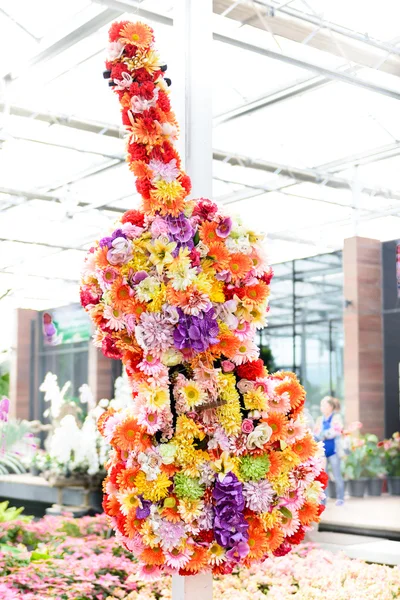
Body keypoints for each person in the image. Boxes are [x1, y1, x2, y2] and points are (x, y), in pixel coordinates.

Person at [314, 396, 345, 506]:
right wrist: (320, 435)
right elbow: (316, 433)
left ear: (331, 407)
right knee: (323, 476)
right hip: (322, 452)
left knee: (337, 475)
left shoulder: (337, 418)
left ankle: (340, 498)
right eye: (321, 405)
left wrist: (324, 434)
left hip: (334, 451)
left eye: (324, 405)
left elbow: (336, 431)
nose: (322, 407)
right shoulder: (319, 419)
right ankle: (323, 500)